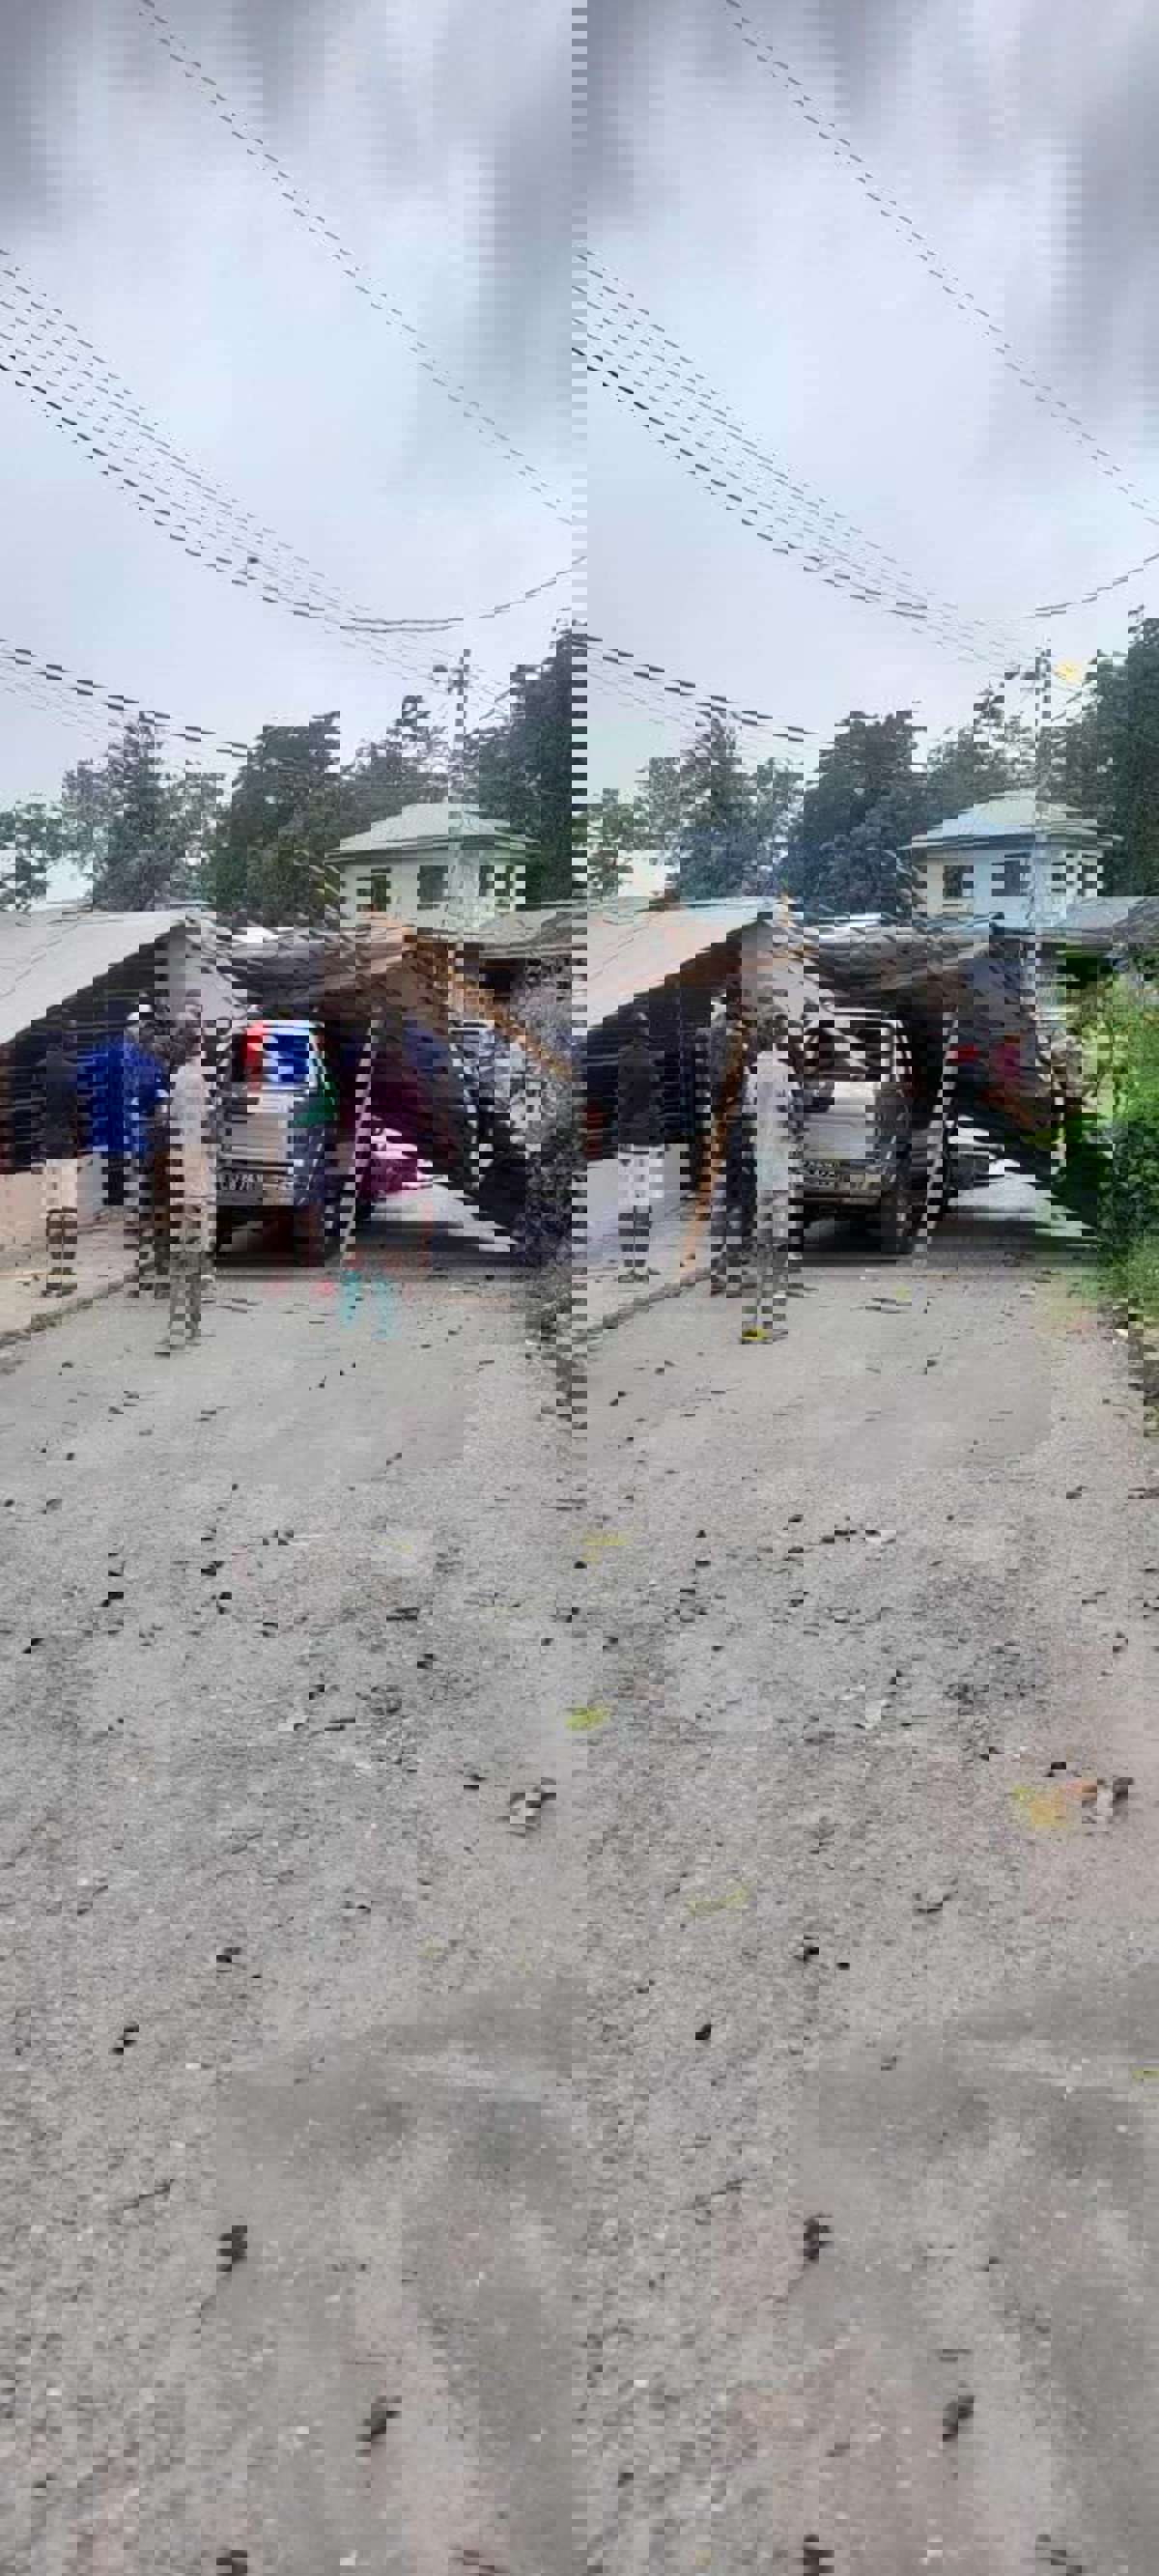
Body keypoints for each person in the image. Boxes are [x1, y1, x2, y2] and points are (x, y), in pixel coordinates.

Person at [742, 1012, 792, 1343]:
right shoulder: (784, 1072)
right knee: (778, 1247)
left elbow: (749, 1115)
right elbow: (791, 1115)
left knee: (759, 1246)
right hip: (779, 1170)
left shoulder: (752, 1075)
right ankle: (770, 1325)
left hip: (760, 1168)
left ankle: (752, 1325)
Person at [160, 1021, 211, 1353]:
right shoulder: (202, 1076)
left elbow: (171, 1117)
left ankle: (180, 1327)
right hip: (197, 1159)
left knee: (183, 1243)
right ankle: (191, 1324)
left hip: (184, 1158)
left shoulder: (181, 1077)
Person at [123, 1006, 169, 1295]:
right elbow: (161, 1106)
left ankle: (146, 1270)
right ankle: (152, 1270)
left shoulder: (134, 1064)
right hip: (147, 1138)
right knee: (152, 1204)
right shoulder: (149, 1067)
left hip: (139, 1137)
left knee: (145, 1202)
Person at [615, 1007, 664, 1282]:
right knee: (644, 1205)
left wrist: (620, 1140)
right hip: (648, 1139)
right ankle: (641, 1266)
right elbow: (652, 1102)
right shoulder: (652, 1059)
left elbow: (622, 1102)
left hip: (630, 1139)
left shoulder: (623, 1058)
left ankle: (629, 1266)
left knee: (629, 1204)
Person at [38, 1022, 82, 1298]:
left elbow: (34, 1112)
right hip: (65, 1146)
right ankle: (66, 1274)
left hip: (46, 1147)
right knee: (68, 1212)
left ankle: (54, 1274)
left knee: (52, 1213)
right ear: (64, 1042)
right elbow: (77, 1111)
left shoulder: (39, 1071)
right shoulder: (70, 1071)